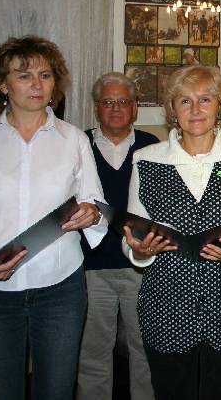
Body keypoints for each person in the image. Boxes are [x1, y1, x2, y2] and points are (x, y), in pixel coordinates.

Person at [0, 36, 106, 400]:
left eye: (45, 75)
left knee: (57, 392)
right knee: (0, 392)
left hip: (60, 290)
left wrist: (92, 215)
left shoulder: (74, 140)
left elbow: (96, 207)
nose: (37, 85)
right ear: (3, 85)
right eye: (24, 76)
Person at [122, 65, 221, 399]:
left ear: (220, 106)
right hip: (166, 306)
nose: (196, 109)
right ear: (173, 109)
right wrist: (139, 251)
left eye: (205, 99)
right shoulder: (146, 160)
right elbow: (131, 236)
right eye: (185, 101)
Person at [76, 72, 160, 400]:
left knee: (144, 349)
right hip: (91, 267)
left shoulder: (152, 146)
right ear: (96, 107)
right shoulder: (78, 145)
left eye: (123, 101)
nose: (115, 108)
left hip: (141, 266)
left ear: (135, 108)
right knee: (93, 352)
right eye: (107, 101)